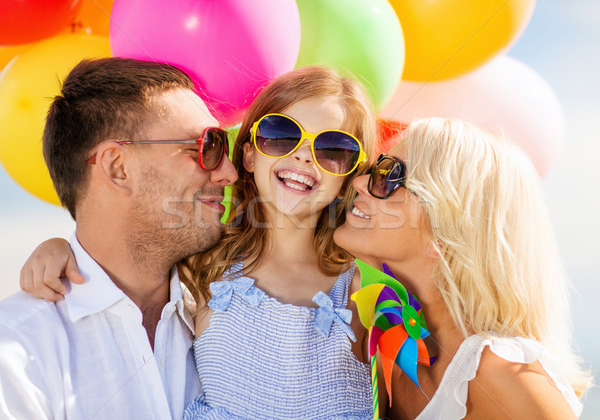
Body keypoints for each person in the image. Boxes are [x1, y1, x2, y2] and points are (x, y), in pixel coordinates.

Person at [17, 66, 377, 419]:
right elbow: (131, 248)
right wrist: (60, 247)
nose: (303, 155)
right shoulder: (204, 266)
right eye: (282, 135)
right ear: (249, 154)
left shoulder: (361, 289)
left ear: (350, 176)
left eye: (333, 148)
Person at [0, 57, 238, 419]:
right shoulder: (15, 355)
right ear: (118, 167)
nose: (229, 172)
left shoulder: (235, 319)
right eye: (206, 146)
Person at [334, 117, 592, 419]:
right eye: (377, 168)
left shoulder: (503, 374)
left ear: (446, 234)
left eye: (390, 175)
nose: (359, 183)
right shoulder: (386, 347)